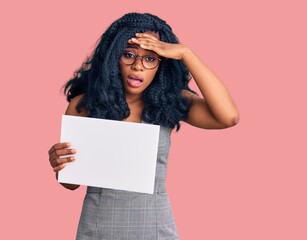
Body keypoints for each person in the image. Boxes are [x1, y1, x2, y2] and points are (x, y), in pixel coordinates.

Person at [47, 12, 239, 239]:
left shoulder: (169, 101)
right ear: (113, 57)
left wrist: (186, 53)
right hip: (98, 228)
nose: (138, 66)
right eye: (128, 55)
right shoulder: (85, 105)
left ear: (162, 63)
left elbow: (228, 117)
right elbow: (70, 184)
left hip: (155, 228)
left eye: (150, 58)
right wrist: (60, 165)